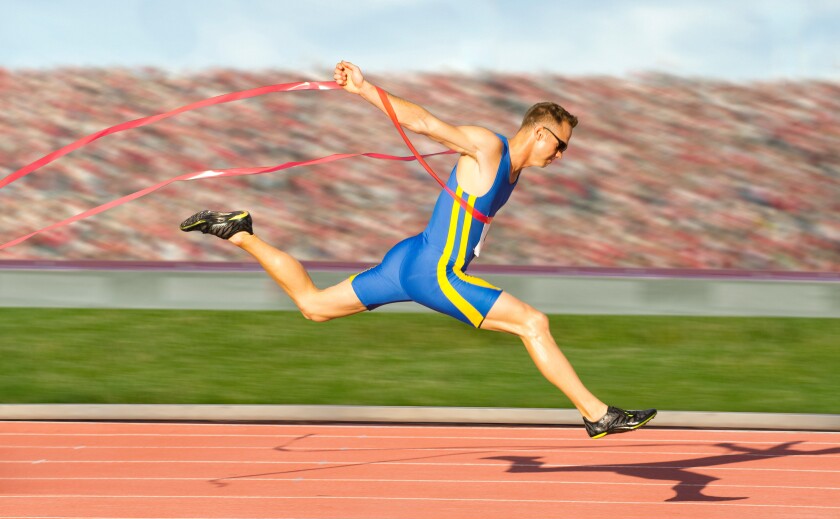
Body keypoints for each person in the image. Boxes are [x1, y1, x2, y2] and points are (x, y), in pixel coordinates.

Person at [180, 60, 656, 438]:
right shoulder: (489, 148)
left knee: (314, 305)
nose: (561, 155)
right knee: (534, 323)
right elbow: (426, 123)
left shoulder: (512, 171)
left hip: (408, 258)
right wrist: (365, 89)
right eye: (561, 146)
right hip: (433, 272)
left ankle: (239, 232)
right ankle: (596, 415)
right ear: (539, 132)